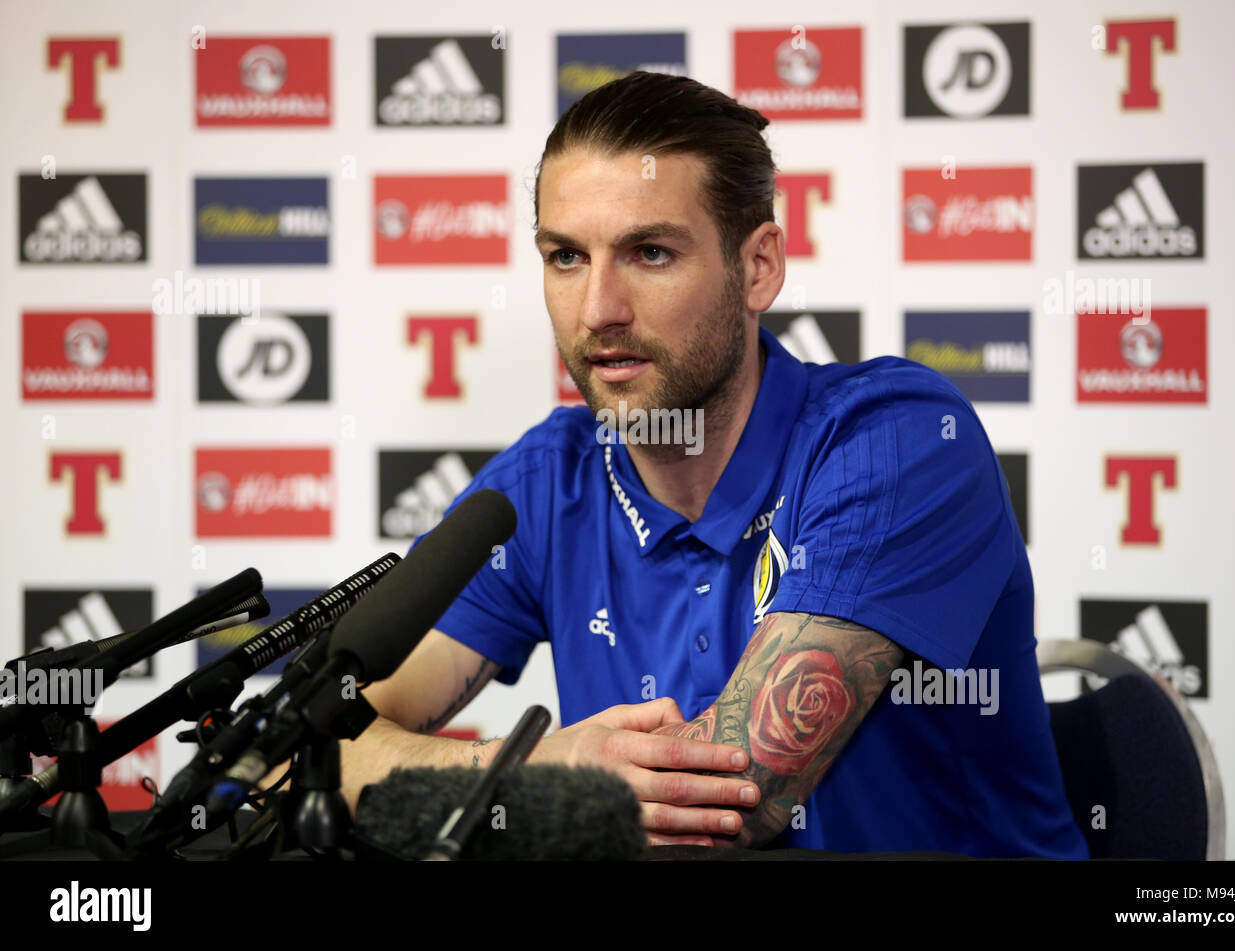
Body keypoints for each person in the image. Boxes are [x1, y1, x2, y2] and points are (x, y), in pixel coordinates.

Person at [340, 71, 1088, 858]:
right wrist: (528, 764)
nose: (598, 309)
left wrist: (486, 786)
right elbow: (306, 749)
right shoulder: (548, 480)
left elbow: (735, 798)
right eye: (566, 256)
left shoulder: (895, 440)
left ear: (758, 266)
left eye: (651, 251)